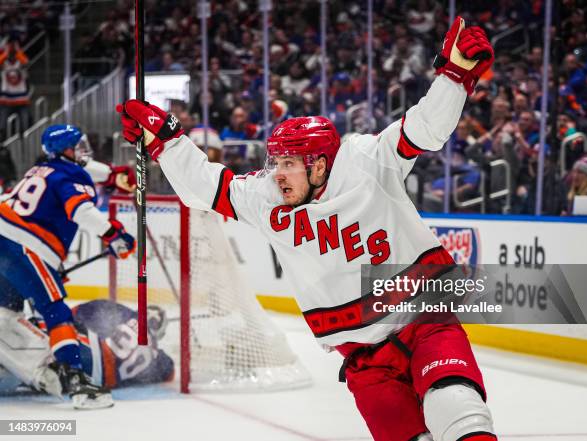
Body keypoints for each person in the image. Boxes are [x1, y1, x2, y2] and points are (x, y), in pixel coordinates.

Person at [117, 17, 496, 441]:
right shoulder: (268, 198)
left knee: (457, 407)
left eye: (288, 164)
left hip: (426, 319)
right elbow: (204, 187)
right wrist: (166, 140)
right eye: (274, 162)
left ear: (319, 164)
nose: (277, 174)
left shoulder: (367, 160)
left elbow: (425, 126)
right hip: (362, 355)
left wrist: (454, 77)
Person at [0, 124, 136, 409]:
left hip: (6, 237)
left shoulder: (41, 169)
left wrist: (112, 176)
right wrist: (115, 235)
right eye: (78, 145)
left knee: (6, 309)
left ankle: (10, 364)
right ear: (65, 151)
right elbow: (81, 211)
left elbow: (84, 169)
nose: (84, 151)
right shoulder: (70, 176)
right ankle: (77, 382)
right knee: (55, 309)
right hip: (25, 245)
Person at [0, 300, 174, 395]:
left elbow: (71, 316)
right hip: (96, 383)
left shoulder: (124, 312)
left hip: (85, 355)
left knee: (20, 322)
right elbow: (170, 371)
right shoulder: (157, 357)